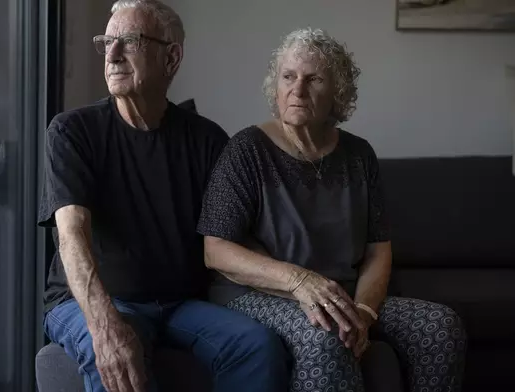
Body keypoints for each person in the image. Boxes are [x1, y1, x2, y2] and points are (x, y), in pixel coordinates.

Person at [37, 1, 290, 392]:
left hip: (179, 304)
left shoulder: (207, 140)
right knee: (123, 351)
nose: (113, 55)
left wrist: (303, 284)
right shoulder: (72, 131)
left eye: (130, 41)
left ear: (171, 58)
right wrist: (104, 325)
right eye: (107, 42)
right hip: (92, 300)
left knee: (257, 347)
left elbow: (234, 238)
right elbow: (71, 234)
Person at [197, 27, 467, 392]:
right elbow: (216, 251)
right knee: (328, 337)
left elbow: (378, 249)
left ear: (337, 91)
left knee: (440, 328)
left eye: (314, 79)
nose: (298, 89)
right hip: (261, 295)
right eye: (288, 77)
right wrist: (300, 281)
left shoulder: (359, 155)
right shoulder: (247, 150)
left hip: (345, 296)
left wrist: (365, 313)